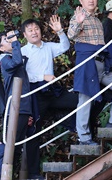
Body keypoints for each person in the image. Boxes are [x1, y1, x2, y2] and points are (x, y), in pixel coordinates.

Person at [68, 0, 112, 145]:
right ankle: (84, 137)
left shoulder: (98, 21)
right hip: (88, 64)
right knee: (85, 99)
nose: (91, 0)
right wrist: (78, 22)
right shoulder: (78, 17)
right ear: (81, 1)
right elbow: (71, 35)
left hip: (102, 65)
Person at [20, 16, 75, 176]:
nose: (34, 32)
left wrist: (60, 31)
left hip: (52, 90)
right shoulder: (23, 52)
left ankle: (71, 125)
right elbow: (22, 76)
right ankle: (33, 174)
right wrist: (41, 77)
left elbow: (64, 47)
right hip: (35, 93)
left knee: (80, 102)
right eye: (30, 30)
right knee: (33, 132)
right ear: (25, 35)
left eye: (36, 28)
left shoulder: (48, 46)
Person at [0, 29, 38, 179]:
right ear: (1, 48)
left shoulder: (12, 56)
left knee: (19, 146)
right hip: (14, 108)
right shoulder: (4, 59)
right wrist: (15, 43)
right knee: (11, 147)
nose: (10, 41)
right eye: (6, 40)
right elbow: (17, 62)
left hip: (24, 107)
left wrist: (29, 112)